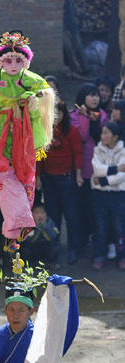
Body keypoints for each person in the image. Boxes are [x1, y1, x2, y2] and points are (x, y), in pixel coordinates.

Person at [0, 30, 55, 252]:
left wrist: (30, 101)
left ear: (26, 61)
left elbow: (47, 97)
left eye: (18, 59)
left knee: (26, 179)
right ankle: (20, 224)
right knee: (5, 182)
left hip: (25, 137)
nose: (13, 64)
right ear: (0, 61)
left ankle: (16, 229)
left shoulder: (33, 81)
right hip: (0, 137)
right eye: (8, 59)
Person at [37, 101, 83, 264]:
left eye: (60, 114)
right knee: (53, 218)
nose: (57, 117)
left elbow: (77, 154)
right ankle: (53, 251)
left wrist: (78, 175)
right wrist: (37, 177)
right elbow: (40, 156)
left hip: (67, 179)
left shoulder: (71, 131)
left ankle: (73, 250)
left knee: (71, 216)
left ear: (65, 115)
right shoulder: (44, 131)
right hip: (49, 180)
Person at [70, 82, 108, 249]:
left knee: (97, 209)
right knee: (80, 207)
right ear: (82, 97)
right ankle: (81, 241)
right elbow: (82, 136)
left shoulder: (103, 115)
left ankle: (99, 241)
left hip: (98, 170)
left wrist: (94, 119)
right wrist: (85, 118)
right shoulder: (73, 116)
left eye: (96, 95)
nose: (95, 98)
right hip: (79, 170)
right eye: (91, 95)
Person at [91, 121, 125, 271]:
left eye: (106, 133)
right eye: (102, 132)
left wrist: (103, 181)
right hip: (100, 195)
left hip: (118, 196)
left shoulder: (123, 151)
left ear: (115, 137)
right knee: (100, 227)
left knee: (119, 227)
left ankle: (122, 256)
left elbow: (122, 177)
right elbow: (97, 170)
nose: (102, 136)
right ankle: (99, 255)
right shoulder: (97, 149)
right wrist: (116, 168)